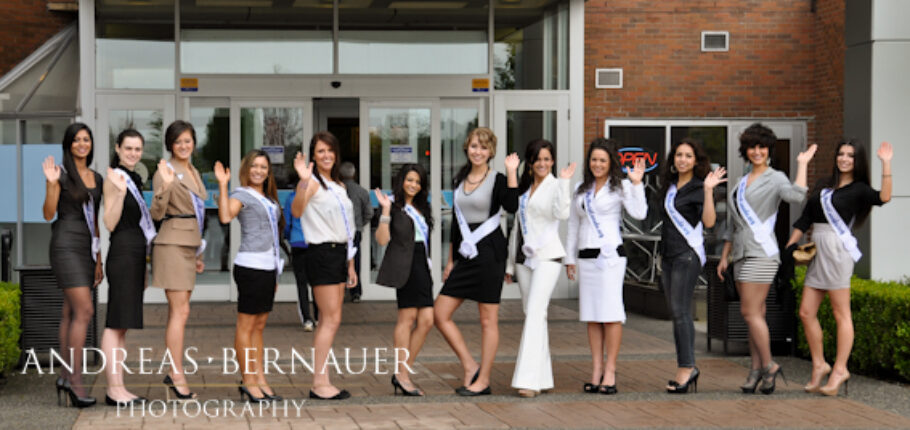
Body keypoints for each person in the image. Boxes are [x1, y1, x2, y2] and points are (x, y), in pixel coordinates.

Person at [785, 140, 892, 396]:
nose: (844, 159)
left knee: (840, 312)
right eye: (841, 154)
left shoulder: (860, 189)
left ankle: (840, 369)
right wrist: (790, 246)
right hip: (818, 248)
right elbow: (805, 218)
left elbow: (884, 197)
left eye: (850, 156)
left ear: (858, 161)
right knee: (806, 312)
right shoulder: (823, 185)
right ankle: (820, 364)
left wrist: (886, 163)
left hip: (837, 250)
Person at [717, 123, 816, 395]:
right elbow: (732, 224)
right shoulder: (740, 182)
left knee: (749, 313)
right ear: (745, 150)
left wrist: (803, 165)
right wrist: (725, 256)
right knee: (755, 315)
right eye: (752, 147)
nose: (757, 151)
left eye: (762, 147)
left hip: (761, 253)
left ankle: (770, 365)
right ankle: (756, 371)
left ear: (769, 150)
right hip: (741, 253)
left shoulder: (776, 178)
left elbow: (796, 196)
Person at [435, 127, 519, 397]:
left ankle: (483, 379)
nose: (478, 151)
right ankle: (470, 365)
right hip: (466, 255)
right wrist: (450, 261)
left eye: (483, 147)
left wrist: (513, 172)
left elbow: (513, 206)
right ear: (466, 148)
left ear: (491, 151)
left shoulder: (497, 179)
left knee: (487, 320)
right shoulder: (459, 179)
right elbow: (456, 227)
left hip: (490, 254)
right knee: (440, 313)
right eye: (474, 146)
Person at [565, 138, 647, 395]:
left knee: (611, 315)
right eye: (593, 160)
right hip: (586, 258)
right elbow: (573, 226)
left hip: (610, 258)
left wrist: (637, 184)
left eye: (602, 160)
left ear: (610, 162)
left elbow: (640, 213)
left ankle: (610, 370)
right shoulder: (581, 188)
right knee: (591, 315)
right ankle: (596, 370)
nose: (597, 164)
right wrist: (569, 258)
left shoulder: (620, 186)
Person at [214, 150, 286, 403]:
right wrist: (223, 185)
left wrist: (276, 273)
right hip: (250, 267)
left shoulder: (267, 197)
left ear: (268, 172)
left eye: (263, 167)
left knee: (260, 326)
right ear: (247, 169)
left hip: (268, 268)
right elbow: (225, 216)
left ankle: (259, 378)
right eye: (254, 166)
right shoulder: (241, 194)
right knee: (246, 325)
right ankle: (248, 381)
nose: (258, 171)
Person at [504, 139, 574, 398]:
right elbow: (516, 227)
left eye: (547, 159)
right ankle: (543, 377)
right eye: (538, 159)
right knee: (534, 315)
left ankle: (528, 381)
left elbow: (562, 214)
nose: (543, 163)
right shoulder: (524, 188)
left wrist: (565, 182)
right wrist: (510, 263)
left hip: (548, 257)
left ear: (552, 161)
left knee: (534, 313)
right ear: (530, 163)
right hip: (524, 259)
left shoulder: (557, 185)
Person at [291, 131, 357, 400]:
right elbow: (296, 211)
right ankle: (319, 383)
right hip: (322, 253)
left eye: (330, 150)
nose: (326, 155)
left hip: (339, 254)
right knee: (328, 320)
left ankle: (324, 379)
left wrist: (351, 264)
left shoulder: (337, 184)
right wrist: (304, 182)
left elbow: (346, 227)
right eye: (320, 151)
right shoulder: (313, 183)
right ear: (313, 156)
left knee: (333, 319)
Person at [658, 138, 726, 394]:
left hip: (687, 255)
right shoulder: (670, 186)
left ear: (695, 160)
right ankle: (685, 366)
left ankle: (687, 367)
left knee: (681, 312)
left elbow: (709, 222)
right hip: (668, 255)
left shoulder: (699, 187)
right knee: (675, 313)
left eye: (687, 155)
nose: (682, 159)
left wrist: (709, 191)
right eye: (678, 155)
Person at [43, 122, 102, 408]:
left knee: (69, 312)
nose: (82, 144)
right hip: (65, 243)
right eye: (77, 140)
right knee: (85, 310)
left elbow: (97, 223)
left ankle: (65, 376)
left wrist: (99, 258)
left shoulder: (97, 178)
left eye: (86, 139)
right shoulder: (61, 175)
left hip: (87, 247)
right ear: (69, 145)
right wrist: (52, 184)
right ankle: (76, 383)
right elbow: (48, 213)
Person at [150, 120, 207, 401]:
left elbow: (198, 211)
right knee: (180, 312)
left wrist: (199, 252)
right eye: (178, 142)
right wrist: (164, 187)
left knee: (182, 312)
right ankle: (176, 373)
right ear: (170, 145)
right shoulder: (166, 170)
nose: (184, 146)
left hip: (189, 243)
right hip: (172, 243)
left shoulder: (193, 170)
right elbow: (157, 213)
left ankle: (174, 370)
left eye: (188, 140)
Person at [100, 129, 155, 406]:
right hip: (121, 252)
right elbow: (110, 222)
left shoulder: (135, 178)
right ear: (118, 149)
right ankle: (113, 389)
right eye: (128, 148)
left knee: (123, 326)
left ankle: (119, 387)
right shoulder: (115, 178)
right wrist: (120, 194)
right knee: (115, 323)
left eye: (137, 149)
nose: (133, 153)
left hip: (134, 254)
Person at [373, 164, 435, 396]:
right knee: (407, 319)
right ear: (402, 181)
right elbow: (381, 240)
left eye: (418, 182)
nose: (414, 185)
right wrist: (386, 212)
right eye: (410, 180)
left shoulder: (422, 207)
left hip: (422, 264)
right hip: (405, 266)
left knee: (427, 320)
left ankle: (402, 371)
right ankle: (403, 374)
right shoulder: (392, 205)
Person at [284, 171, 317, 331]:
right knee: (317, 283)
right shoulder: (316, 198)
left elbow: (287, 224)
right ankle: (318, 316)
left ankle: (307, 319)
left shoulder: (291, 198)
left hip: (298, 243)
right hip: (315, 243)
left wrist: (290, 238)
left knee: (302, 284)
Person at [340, 161, 373, 303]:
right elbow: (369, 213)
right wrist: (360, 224)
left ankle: (338, 291)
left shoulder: (336, 190)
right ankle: (355, 292)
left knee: (339, 261)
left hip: (338, 231)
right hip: (355, 232)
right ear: (354, 174)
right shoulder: (361, 191)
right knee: (356, 260)